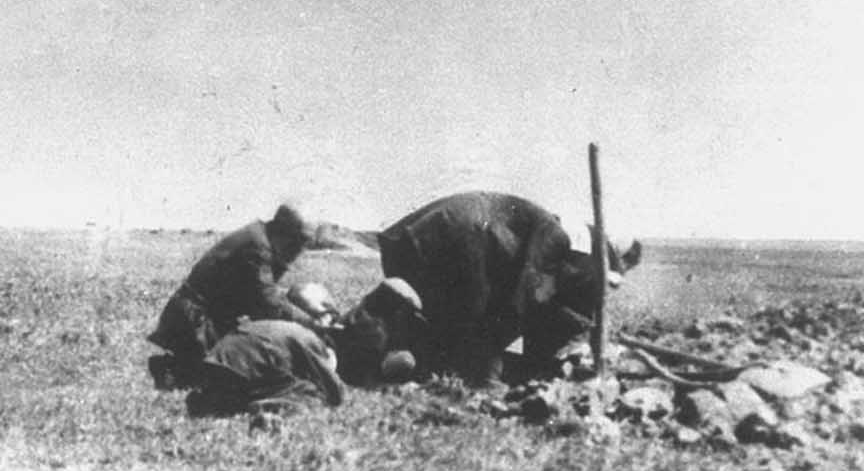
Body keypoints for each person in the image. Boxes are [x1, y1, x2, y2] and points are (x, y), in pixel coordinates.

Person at [376, 192, 641, 383]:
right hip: (452, 237)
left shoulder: (551, 234)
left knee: (437, 326)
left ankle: (391, 354)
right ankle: (473, 376)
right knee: (489, 311)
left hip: (413, 237)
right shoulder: (564, 241)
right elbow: (527, 297)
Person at [147, 204, 328, 389]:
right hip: (195, 324)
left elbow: (263, 296)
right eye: (299, 242)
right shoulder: (257, 248)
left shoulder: (260, 239)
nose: (299, 251)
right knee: (227, 381)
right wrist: (312, 324)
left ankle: (179, 367)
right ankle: (173, 369)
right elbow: (268, 303)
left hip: (204, 320)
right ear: (283, 233)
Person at [184, 319, 346, 418]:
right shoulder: (312, 342)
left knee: (278, 379)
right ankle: (269, 404)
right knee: (310, 392)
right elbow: (334, 391)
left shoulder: (286, 328)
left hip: (214, 362)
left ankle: (211, 399)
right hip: (245, 367)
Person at [328, 277, 426, 387]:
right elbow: (365, 372)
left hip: (338, 354)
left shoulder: (363, 312)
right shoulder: (374, 329)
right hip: (344, 365)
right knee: (405, 360)